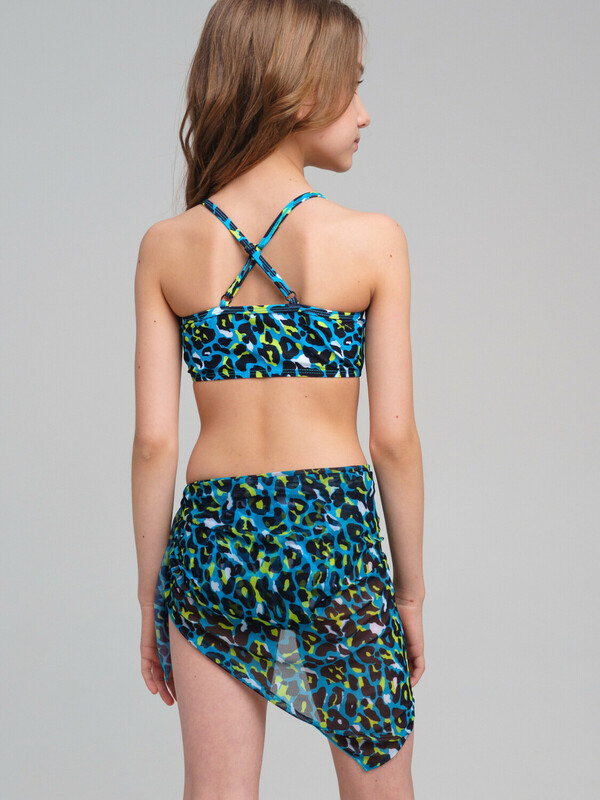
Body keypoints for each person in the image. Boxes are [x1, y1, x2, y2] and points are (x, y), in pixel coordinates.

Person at [131, 1, 425, 797]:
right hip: (333, 541)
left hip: (213, 545)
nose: (365, 113)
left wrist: (153, 595)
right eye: (351, 87)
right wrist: (408, 592)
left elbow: (155, 443)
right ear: (300, 94)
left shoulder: (167, 247)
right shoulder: (372, 241)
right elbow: (393, 440)